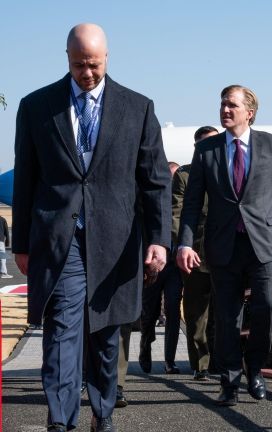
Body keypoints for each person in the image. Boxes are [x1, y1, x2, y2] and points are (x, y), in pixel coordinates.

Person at [12, 23, 170, 432]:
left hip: (115, 241)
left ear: (107, 58)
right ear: (67, 58)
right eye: (79, 64)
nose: (87, 73)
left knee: (105, 333)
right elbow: (26, 179)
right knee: (62, 330)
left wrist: (159, 239)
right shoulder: (37, 106)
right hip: (60, 239)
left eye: (95, 65)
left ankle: (103, 412)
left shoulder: (137, 107)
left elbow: (154, 181)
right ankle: (60, 420)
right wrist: (21, 244)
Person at [177, 85, 272, 406]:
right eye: (222, 104)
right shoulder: (207, 150)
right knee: (227, 318)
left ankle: (254, 368)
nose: (225, 110)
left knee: (268, 306)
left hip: (265, 244)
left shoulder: (271, 144)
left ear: (250, 112)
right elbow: (192, 202)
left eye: (232, 105)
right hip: (223, 245)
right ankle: (229, 381)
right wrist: (185, 244)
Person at [172, 126, 219, 381]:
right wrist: (184, 246)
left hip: (225, 252)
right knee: (196, 314)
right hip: (196, 252)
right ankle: (201, 365)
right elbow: (177, 214)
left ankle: (221, 362)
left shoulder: (227, 171)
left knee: (225, 312)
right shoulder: (184, 176)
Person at [139, 162, 183, 375]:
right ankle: (145, 347)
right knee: (149, 312)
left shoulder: (183, 203)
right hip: (154, 265)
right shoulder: (152, 202)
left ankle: (169, 360)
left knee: (173, 310)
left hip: (174, 266)